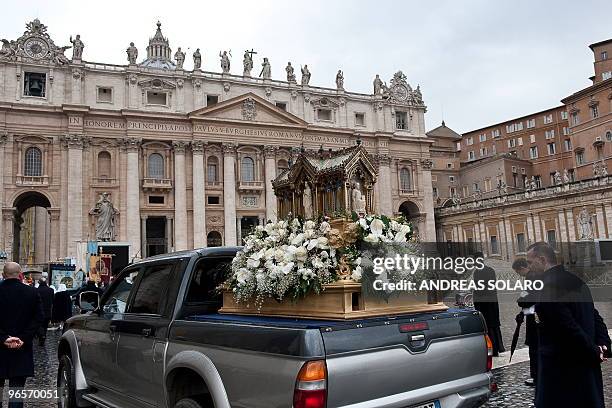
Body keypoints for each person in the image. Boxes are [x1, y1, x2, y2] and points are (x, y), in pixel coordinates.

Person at [526, 242, 611, 408]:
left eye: (530, 262)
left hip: (562, 372)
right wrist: (604, 345)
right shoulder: (576, 280)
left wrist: (594, 351)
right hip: (586, 370)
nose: (529, 267)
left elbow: (567, 327)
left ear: (542, 260)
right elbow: (594, 315)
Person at [0, 262, 44, 408]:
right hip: (21, 348)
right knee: (16, 393)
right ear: (20, 275)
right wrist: (23, 338)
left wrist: (4, 338)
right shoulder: (31, 292)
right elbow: (38, 318)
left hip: (0, 347)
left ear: (3, 275)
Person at [471, 251, 505, 356]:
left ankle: (493, 349)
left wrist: (474, 290)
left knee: (489, 325)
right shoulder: (489, 270)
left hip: (485, 303)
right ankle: (497, 348)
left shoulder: (479, 272)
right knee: (493, 325)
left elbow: (484, 288)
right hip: (490, 302)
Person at [512, 257, 538, 386]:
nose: (519, 275)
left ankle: (536, 375)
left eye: (518, 272)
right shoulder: (535, 275)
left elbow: (530, 296)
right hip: (533, 314)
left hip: (534, 315)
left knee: (534, 347)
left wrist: (520, 302)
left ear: (522, 268)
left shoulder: (531, 277)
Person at [35, 278, 54, 346]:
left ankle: (41, 336)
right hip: (48, 311)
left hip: (38, 311)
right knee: (45, 326)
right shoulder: (51, 290)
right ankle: (43, 336)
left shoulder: (36, 290)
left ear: (39, 283)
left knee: (39, 325)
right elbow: (52, 300)